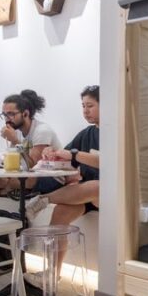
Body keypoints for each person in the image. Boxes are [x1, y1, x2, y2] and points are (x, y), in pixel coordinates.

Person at [25, 85, 100, 224]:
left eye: (90, 105)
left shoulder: (116, 132)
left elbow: (104, 162)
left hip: (109, 194)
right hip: (86, 193)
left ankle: (43, 199)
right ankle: (54, 245)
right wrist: (52, 152)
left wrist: (73, 154)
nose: (85, 110)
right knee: (60, 213)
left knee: (99, 186)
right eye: (83, 106)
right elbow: (67, 157)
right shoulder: (86, 133)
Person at [0, 89, 63, 198]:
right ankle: (11, 190)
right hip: (26, 175)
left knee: (17, 179)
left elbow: (33, 166)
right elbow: (17, 163)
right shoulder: (17, 131)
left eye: (11, 114)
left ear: (25, 113)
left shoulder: (42, 131)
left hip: (50, 177)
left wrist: (15, 141)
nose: (7, 119)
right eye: (4, 115)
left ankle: (2, 191)